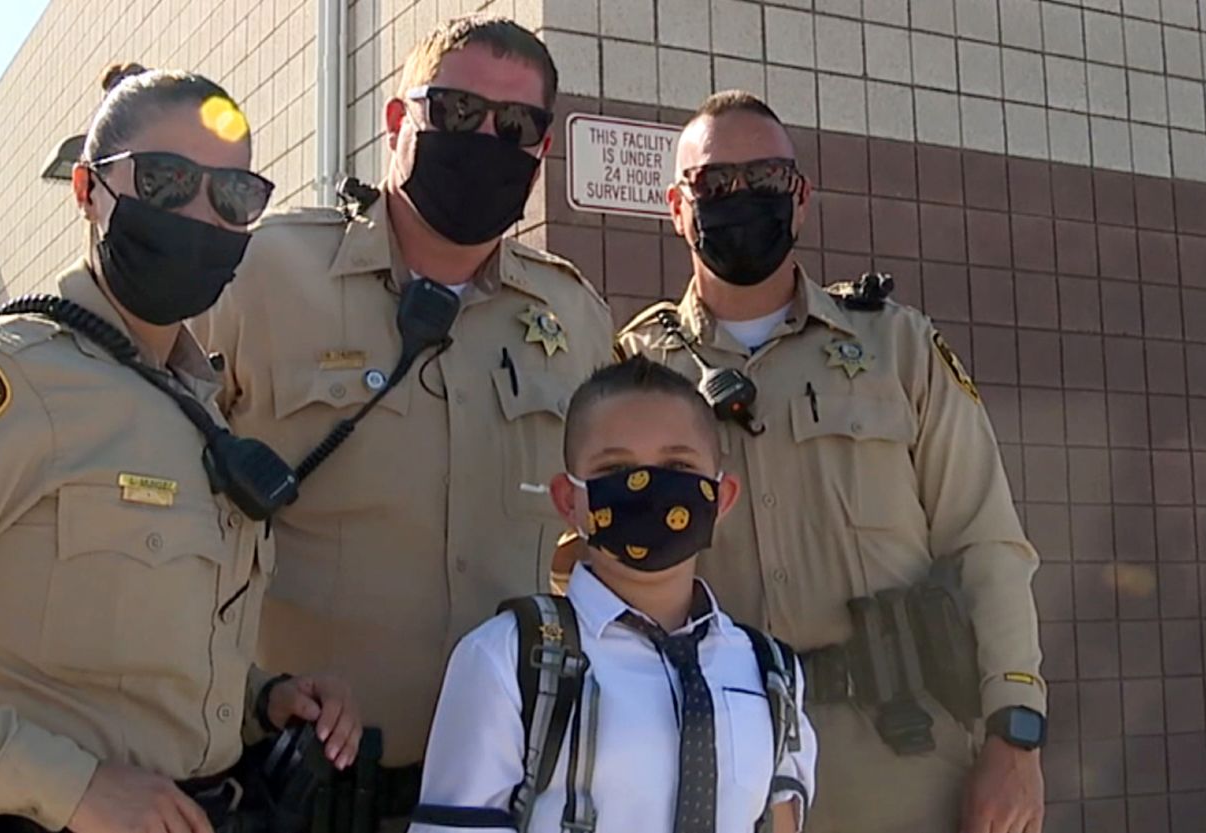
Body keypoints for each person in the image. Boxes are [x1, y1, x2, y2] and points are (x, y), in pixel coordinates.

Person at [0, 65, 361, 833]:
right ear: (87, 191)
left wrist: (259, 698)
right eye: (167, 180)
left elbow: (117, 653)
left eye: (235, 195)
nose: (201, 214)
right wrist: (71, 785)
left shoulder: (195, 406)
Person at [187, 16, 614, 829]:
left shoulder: (575, 317)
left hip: (505, 790)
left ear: (541, 150)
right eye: (455, 112)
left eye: (515, 125)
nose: (486, 138)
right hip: (299, 785)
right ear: (396, 121)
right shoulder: (260, 276)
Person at [611, 90, 1046, 833]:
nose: (741, 197)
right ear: (677, 207)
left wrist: (1016, 735)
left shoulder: (896, 348)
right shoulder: (632, 373)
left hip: (901, 758)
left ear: (802, 199)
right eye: (715, 184)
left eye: (768, 180)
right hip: (712, 767)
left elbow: (987, 544)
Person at [408, 356, 816, 833]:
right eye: (616, 468)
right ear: (569, 501)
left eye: (678, 465)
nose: (648, 487)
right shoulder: (506, 659)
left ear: (721, 497)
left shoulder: (771, 672)